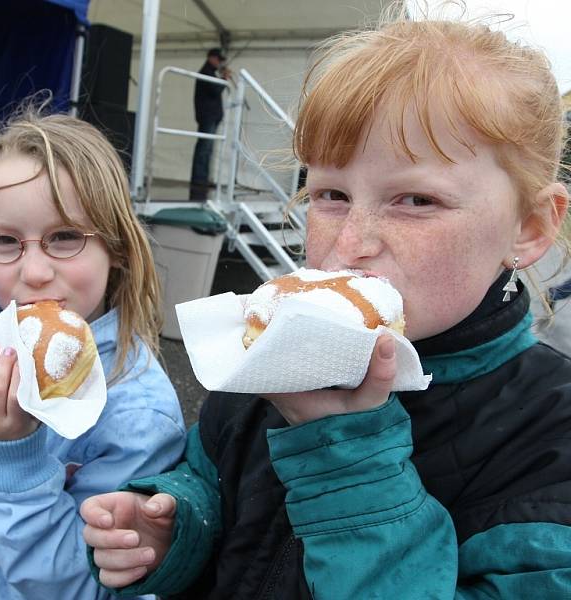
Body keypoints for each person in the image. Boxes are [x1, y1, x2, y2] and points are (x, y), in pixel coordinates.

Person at [81, 9, 571, 599]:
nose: (350, 245)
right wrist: (175, 528)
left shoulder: (550, 433)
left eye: (416, 199)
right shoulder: (270, 360)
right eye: (331, 195)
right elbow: (211, 481)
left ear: (531, 226)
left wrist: (347, 457)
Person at [0, 105, 187, 599]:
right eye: (5, 241)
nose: (35, 271)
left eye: (64, 237)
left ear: (119, 247)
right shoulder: (1, 351)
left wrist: (17, 457)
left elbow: (86, 584)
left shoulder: (136, 413)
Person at [189, 47, 231, 200]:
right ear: (211, 58)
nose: (220, 63)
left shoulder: (211, 73)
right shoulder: (205, 72)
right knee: (204, 148)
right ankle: (199, 180)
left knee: (207, 149)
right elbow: (215, 90)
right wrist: (224, 78)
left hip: (211, 117)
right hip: (207, 117)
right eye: (218, 59)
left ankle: (203, 179)